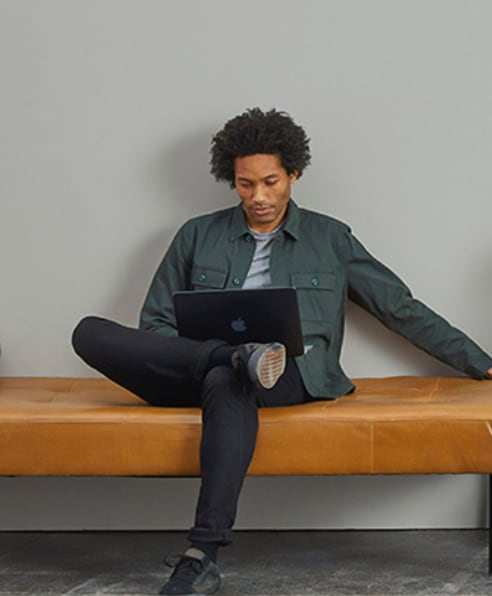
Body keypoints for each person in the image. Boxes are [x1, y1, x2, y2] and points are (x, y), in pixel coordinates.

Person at [72, 107, 492, 595]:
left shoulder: (329, 238)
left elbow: (398, 307)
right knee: (88, 332)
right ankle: (229, 356)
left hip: (286, 372)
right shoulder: (196, 234)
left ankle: (201, 554)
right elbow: (155, 325)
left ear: (293, 174)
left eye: (270, 182)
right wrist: (217, 352)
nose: (259, 196)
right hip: (192, 366)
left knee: (232, 378)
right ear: (231, 180)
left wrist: (480, 361)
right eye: (245, 184)